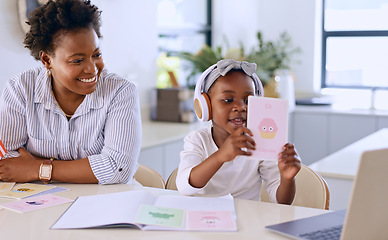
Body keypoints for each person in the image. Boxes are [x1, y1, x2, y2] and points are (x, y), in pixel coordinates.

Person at [0, 0, 142, 184]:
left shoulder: (120, 91)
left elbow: (118, 168)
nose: (92, 69)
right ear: (47, 60)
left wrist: (37, 168)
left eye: (96, 55)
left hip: (103, 201)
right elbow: (7, 161)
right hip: (40, 203)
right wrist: (88, 168)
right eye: (77, 61)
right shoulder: (20, 88)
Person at [176, 59, 301, 204]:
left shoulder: (261, 142)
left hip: (248, 220)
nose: (240, 107)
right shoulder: (197, 140)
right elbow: (184, 187)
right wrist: (220, 156)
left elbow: (282, 202)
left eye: (248, 101)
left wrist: (287, 179)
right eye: (228, 100)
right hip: (205, 219)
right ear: (206, 106)